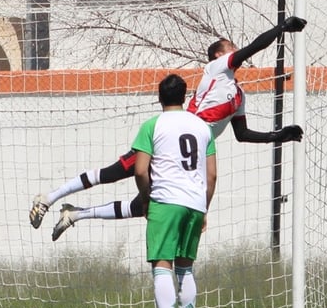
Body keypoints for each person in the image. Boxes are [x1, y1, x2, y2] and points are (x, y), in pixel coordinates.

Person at [29, 16, 307, 241]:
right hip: (171, 138)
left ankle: (76, 215)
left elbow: (243, 134)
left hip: (192, 154)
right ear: (219, 55)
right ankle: (49, 197)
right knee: (115, 172)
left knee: (144, 207)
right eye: (231, 47)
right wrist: (281, 28)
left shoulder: (238, 95)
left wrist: (279, 135)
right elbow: (254, 47)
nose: (237, 51)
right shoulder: (217, 69)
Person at [133, 74, 216, 308]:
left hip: (166, 200)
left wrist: (146, 199)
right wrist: (203, 207)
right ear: (185, 96)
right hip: (194, 202)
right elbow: (212, 175)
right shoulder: (203, 127)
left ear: (159, 97)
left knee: (161, 264)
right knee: (186, 267)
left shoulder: (152, 125)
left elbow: (141, 169)